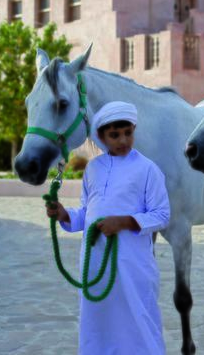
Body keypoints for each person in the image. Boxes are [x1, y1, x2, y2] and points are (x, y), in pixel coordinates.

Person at [46, 101, 170, 354]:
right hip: (94, 261)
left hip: (131, 262)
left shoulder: (147, 169)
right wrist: (64, 215)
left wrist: (123, 222)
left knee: (138, 318)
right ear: (101, 137)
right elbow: (86, 212)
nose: (123, 140)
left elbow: (161, 214)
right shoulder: (93, 168)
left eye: (128, 133)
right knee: (97, 319)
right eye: (114, 135)